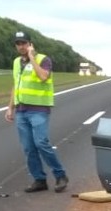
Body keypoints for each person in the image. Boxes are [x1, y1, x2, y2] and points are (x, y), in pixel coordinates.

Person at [4, 31, 68, 193]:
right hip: (21, 110)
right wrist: (10, 107)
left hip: (39, 109)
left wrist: (32, 58)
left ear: (30, 44)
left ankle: (60, 175)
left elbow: (44, 77)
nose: (21, 46)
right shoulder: (16, 62)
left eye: (24, 43)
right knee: (28, 147)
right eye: (18, 43)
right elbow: (16, 85)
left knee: (41, 143)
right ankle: (39, 180)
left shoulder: (43, 59)